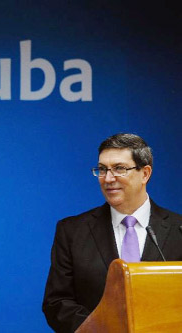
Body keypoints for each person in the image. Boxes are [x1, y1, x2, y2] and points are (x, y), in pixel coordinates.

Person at [42, 133, 182, 332]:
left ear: (145, 173)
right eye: (102, 169)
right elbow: (57, 302)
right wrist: (101, 328)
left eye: (119, 169)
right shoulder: (72, 231)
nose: (108, 178)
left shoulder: (179, 230)